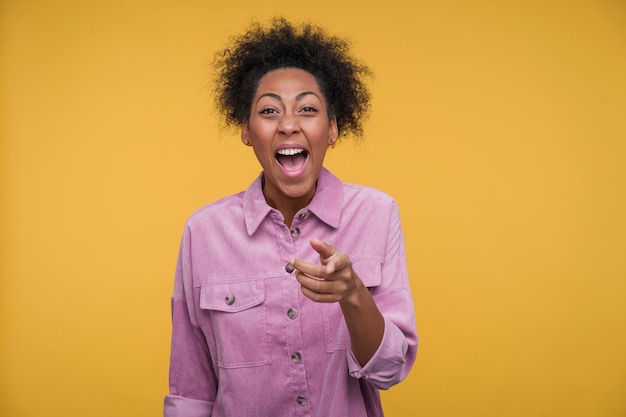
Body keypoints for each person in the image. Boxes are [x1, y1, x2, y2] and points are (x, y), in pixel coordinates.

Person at [164, 17, 417, 417]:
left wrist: (354, 295)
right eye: (268, 111)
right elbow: (191, 389)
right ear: (246, 130)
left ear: (332, 129)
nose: (287, 124)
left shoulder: (376, 214)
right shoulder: (204, 231)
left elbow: (389, 369)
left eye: (307, 109)